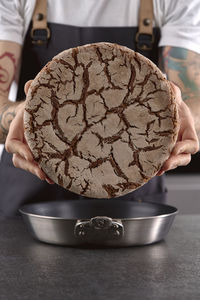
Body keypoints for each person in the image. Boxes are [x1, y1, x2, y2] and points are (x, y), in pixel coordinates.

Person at [0, 0, 199, 218]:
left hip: (133, 199)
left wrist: (180, 117)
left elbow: (193, 101)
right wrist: (24, 117)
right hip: (29, 200)